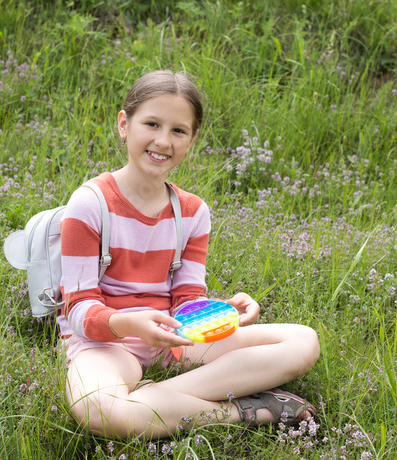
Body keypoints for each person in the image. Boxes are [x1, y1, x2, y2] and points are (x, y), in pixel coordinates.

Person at [59, 70, 320, 439]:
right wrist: (131, 324)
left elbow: (186, 299)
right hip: (108, 343)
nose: (163, 141)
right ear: (124, 124)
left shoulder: (193, 212)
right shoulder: (89, 203)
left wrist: (221, 311)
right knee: (96, 408)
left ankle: (153, 401)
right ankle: (243, 411)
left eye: (178, 131)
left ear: (192, 139)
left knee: (303, 341)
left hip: (175, 338)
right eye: (151, 123)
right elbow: (79, 308)